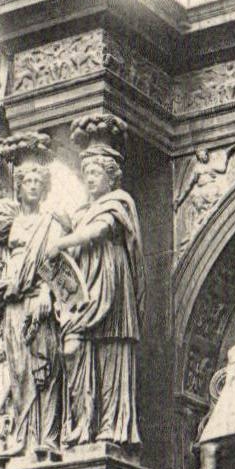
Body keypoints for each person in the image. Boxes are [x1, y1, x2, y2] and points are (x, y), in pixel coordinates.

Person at [53, 120, 146, 446]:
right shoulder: (82, 210)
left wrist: (63, 242)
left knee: (112, 350)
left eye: (96, 173)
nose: (90, 179)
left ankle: (112, 426)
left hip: (109, 280)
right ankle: (83, 425)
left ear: (111, 177)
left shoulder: (118, 202)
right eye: (87, 173)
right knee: (78, 346)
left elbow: (100, 231)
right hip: (83, 284)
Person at [0, 136, 67, 461]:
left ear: (44, 188)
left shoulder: (52, 223)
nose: (32, 186)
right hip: (14, 302)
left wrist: (47, 291)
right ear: (19, 187)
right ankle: (23, 437)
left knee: (48, 367)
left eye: (37, 181)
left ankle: (49, 438)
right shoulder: (11, 221)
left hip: (41, 301)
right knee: (20, 370)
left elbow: (60, 265)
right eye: (26, 181)